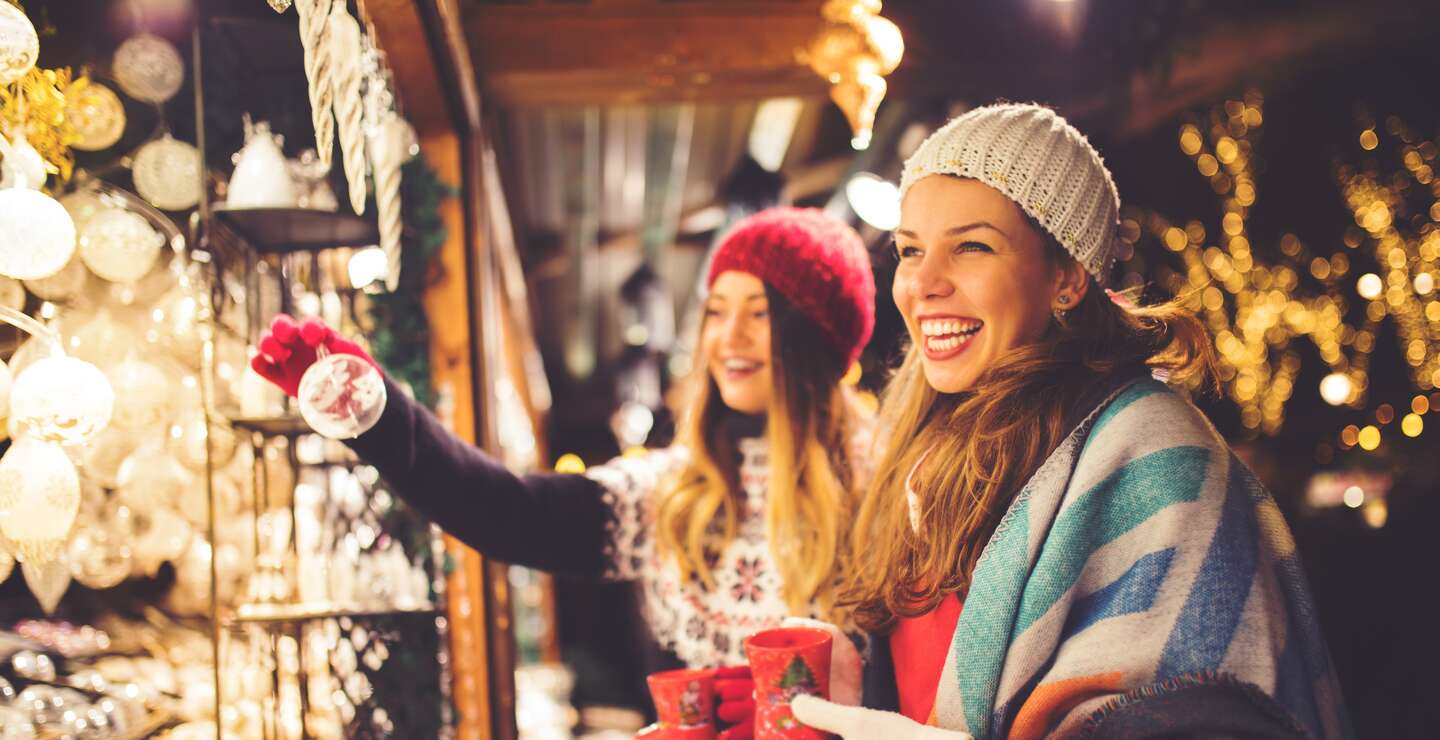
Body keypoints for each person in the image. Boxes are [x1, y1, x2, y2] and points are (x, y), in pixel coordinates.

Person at [791, 104, 1350, 739]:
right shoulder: (920, 448)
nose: (923, 284)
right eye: (910, 250)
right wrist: (861, 684)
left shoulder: (1154, 451)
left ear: (1067, 276)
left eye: (971, 247)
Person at [251, 207, 876, 737]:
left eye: (761, 312)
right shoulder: (674, 491)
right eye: (715, 310)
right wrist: (380, 415)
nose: (729, 336)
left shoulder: (884, 487)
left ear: (816, 333)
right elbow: (511, 512)